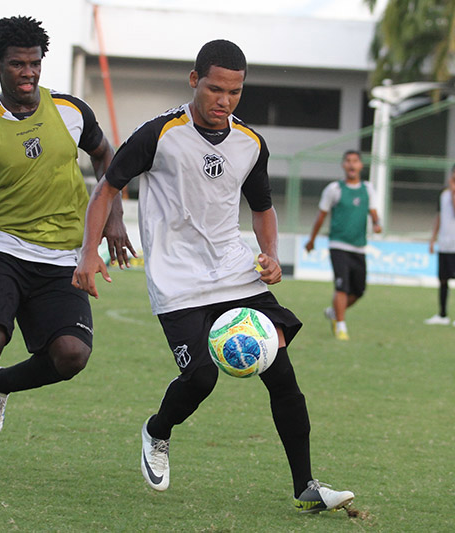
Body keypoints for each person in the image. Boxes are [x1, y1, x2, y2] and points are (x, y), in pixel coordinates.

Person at [73, 39, 354, 513]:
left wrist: (269, 255)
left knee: (281, 374)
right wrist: (87, 252)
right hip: (176, 277)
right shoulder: (159, 133)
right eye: (215, 89)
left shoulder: (250, 143)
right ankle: (157, 431)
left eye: (235, 92)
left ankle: (306, 485)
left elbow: (262, 207)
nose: (224, 101)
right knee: (201, 377)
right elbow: (107, 189)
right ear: (194, 81)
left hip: (235, 271)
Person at [0, 15, 133, 478]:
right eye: (18, 64)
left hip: (63, 255)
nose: (29, 72)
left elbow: (107, 158)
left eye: (34, 63)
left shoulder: (71, 111)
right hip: (2, 249)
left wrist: (114, 217)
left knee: (71, 355)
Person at [305, 150, 382, 340]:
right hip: (338, 245)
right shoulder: (334, 189)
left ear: (361, 166)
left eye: (355, 161)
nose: (351, 165)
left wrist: (377, 223)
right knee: (342, 287)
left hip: (359, 247)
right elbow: (321, 216)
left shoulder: (368, 189)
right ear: (343, 165)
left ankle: (334, 312)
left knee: (359, 291)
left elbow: (373, 211)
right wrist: (312, 239)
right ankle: (341, 326)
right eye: (348, 161)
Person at [424, 167, 455, 325]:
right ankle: (442, 314)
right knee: (443, 279)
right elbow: (439, 217)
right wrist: (433, 239)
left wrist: (454, 192)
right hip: (445, 244)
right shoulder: (443, 194)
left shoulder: (451, 193)